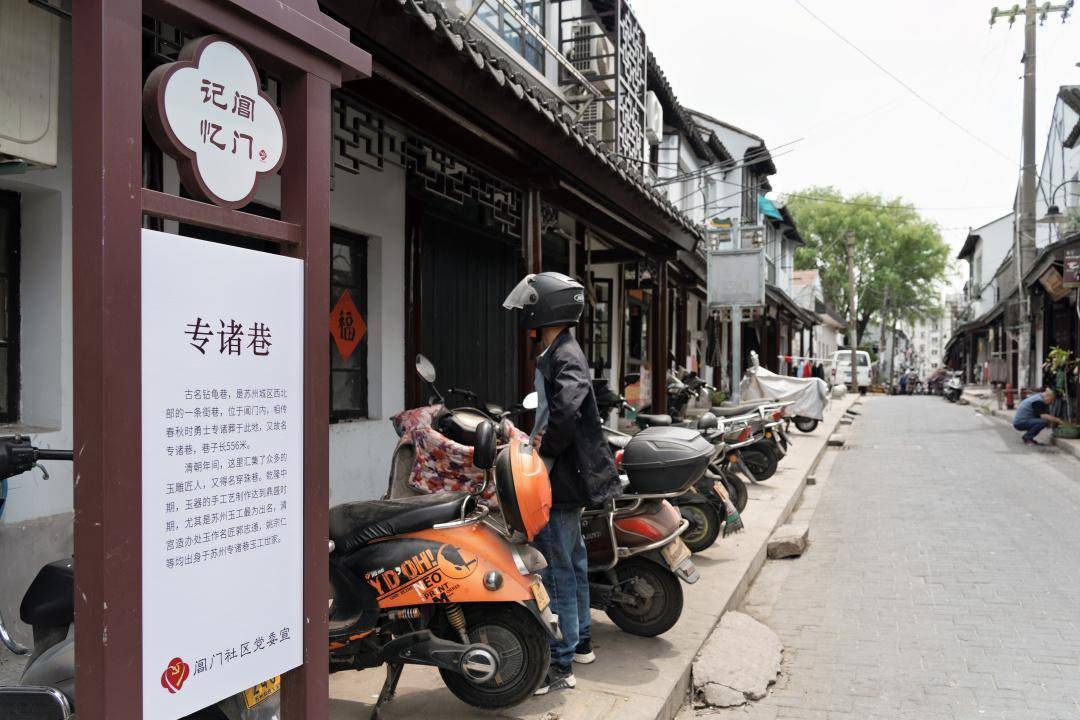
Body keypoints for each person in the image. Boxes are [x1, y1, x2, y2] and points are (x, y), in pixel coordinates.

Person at [502, 272, 619, 695]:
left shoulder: (564, 353)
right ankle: (581, 641)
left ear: (545, 308)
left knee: (555, 570)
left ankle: (560, 662)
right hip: (569, 476)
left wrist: (544, 449)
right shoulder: (561, 350)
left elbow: (567, 408)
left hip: (560, 477)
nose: (525, 314)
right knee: (574, 561)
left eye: (530, 305)